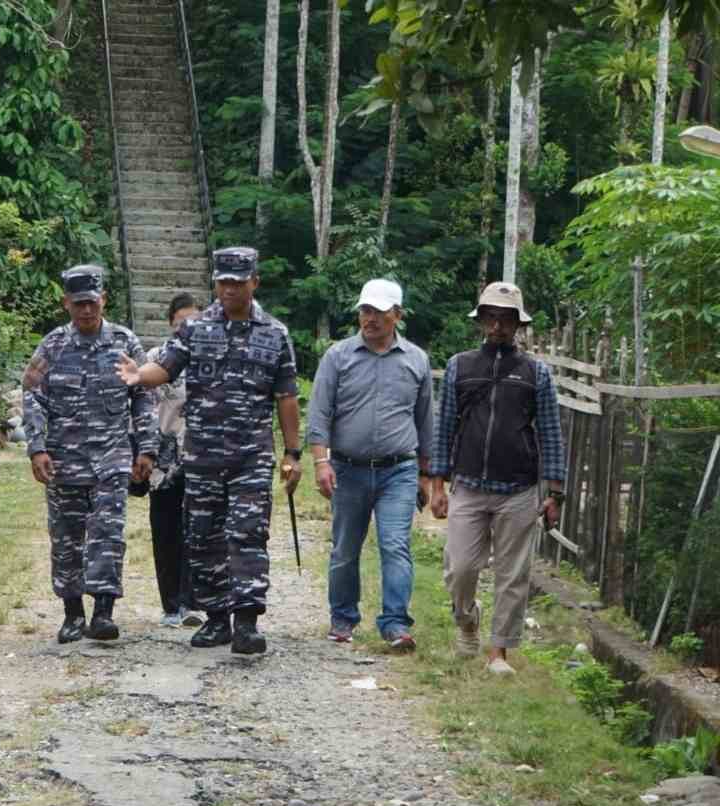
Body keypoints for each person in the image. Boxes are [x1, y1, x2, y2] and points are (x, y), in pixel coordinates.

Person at [117, 247, 301, 655]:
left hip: (251, 455)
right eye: (222, 281)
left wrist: (293, 453)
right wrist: (136, 375)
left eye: (237, 281)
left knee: (248, 534)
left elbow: (287, 396)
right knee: (202, 537)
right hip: (201, 456)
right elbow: (165, 368)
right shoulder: (195, 329)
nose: (229, 289)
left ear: (255, 281)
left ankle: (247, 622)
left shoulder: (275, 333)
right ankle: (216, 618)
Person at [430, 282, 565, 675]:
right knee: (461, 568)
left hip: (519, 489)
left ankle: (498, 652)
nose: (498, 325)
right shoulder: (460, 365)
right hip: (469, 485)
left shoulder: (535, 373)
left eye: (507, 318)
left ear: (518, 325)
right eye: (492, 317)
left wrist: (555, 491)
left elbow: (552, 435)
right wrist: (436, 485)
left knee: (513, 574)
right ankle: (466, 620)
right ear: (481, 321)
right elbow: (444, 429)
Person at [22, 264, 156, 644]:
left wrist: (146, 448)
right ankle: (72, 614)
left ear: (103, 301)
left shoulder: (125, 343)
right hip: (63, 461)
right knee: (66, 538)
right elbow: (32, 397)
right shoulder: (52, 346)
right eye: (78, 304)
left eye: (92, 303)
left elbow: (144, 396)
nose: (86, 311)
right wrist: (37, 447)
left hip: (112, 458)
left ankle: (103, 613)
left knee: (107, 535)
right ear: (66, 303)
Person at [306, 278, 434, 651]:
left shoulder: (416, 360)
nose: (370, 318)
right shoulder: (338, 356)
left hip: (399, 470)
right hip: (348, 468)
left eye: (378, 311)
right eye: (365, 310)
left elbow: (425, 421)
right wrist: (321, 462)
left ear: (398, 315)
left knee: (395, 545)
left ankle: (395, 623)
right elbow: (319, 413)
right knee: (345, 546)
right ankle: (343, 616)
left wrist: (427, 474)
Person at [146, 292, 204, 628]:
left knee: (198, 529)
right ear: (170, 323)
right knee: (165, 531)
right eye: (181, 320)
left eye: (193, 320)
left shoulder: (211, 356)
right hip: (164, 459)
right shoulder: (155, 359)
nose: (187, 326)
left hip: (201, 456)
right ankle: (170, 604)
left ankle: (193, 602)